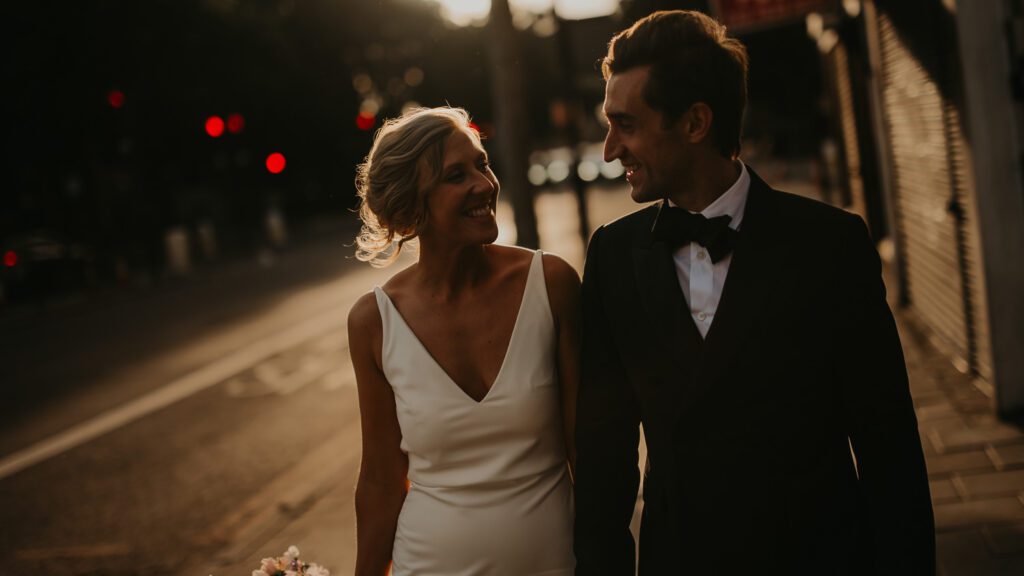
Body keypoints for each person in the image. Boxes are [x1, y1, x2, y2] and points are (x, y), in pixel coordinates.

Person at [573, 10, 935, 575]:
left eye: (626, 124)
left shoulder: (830, 245)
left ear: (695, 122)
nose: (609, 148)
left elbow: (888, 444)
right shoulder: (613, 257)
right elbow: (603, 456)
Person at [348, 106, 579, 576]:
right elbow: (380, 479)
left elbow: (589, 448)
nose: (484, 184)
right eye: (457, 175)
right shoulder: (374, 321)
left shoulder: (550, 284)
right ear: (412, 203)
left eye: (483, 163)